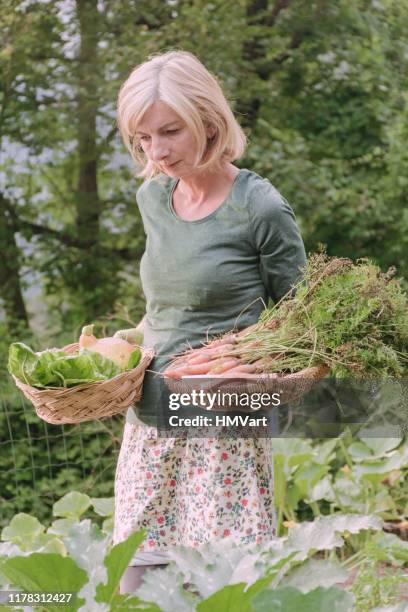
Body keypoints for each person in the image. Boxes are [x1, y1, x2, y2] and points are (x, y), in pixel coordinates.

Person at [114, 49, 307, 593]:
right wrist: (125, 349)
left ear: (209, 118)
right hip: (150, 423)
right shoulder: (153, 197)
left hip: (224, 428)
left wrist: (242, 371)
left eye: (170, 131)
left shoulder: (260, 208)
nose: (157, 151)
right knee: (134, 583)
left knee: (222, 585)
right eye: (143, 138)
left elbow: (301, 325)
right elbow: (167, 307)